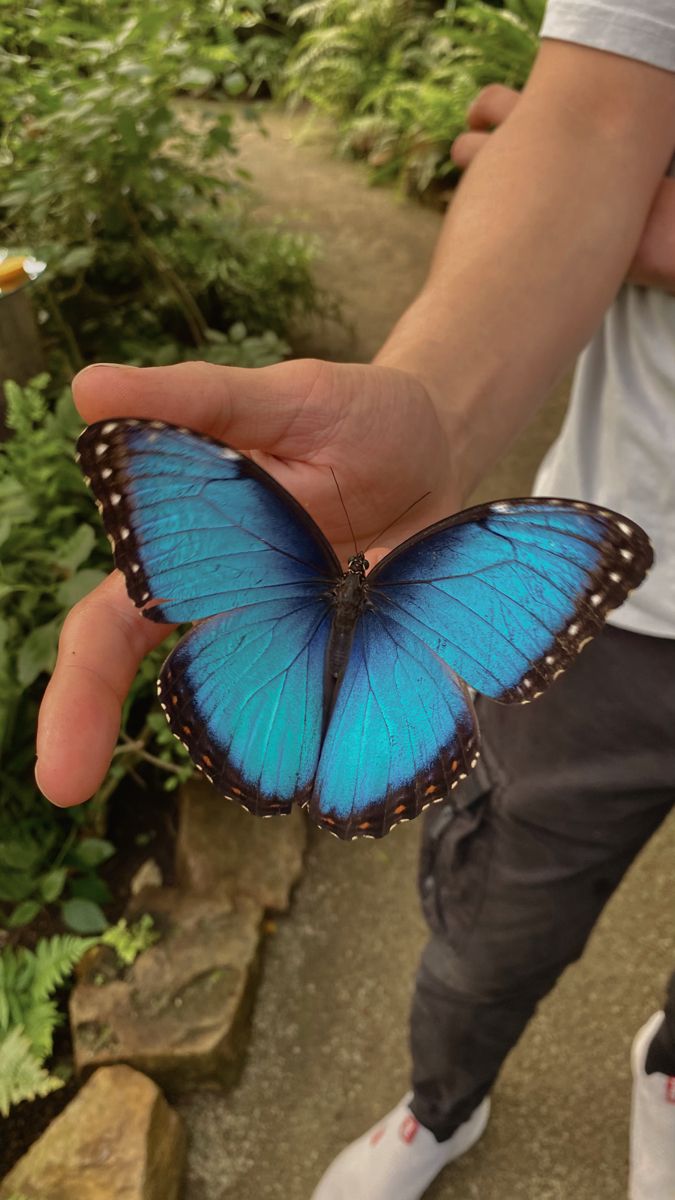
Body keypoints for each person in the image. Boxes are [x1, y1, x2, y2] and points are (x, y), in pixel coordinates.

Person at [35, 3, 675, 1197]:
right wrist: (429, 393)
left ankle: (672, 1071)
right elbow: (591, 117)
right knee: (500, 918)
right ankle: (442, 1104)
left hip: (311, 643)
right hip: (630, 640)